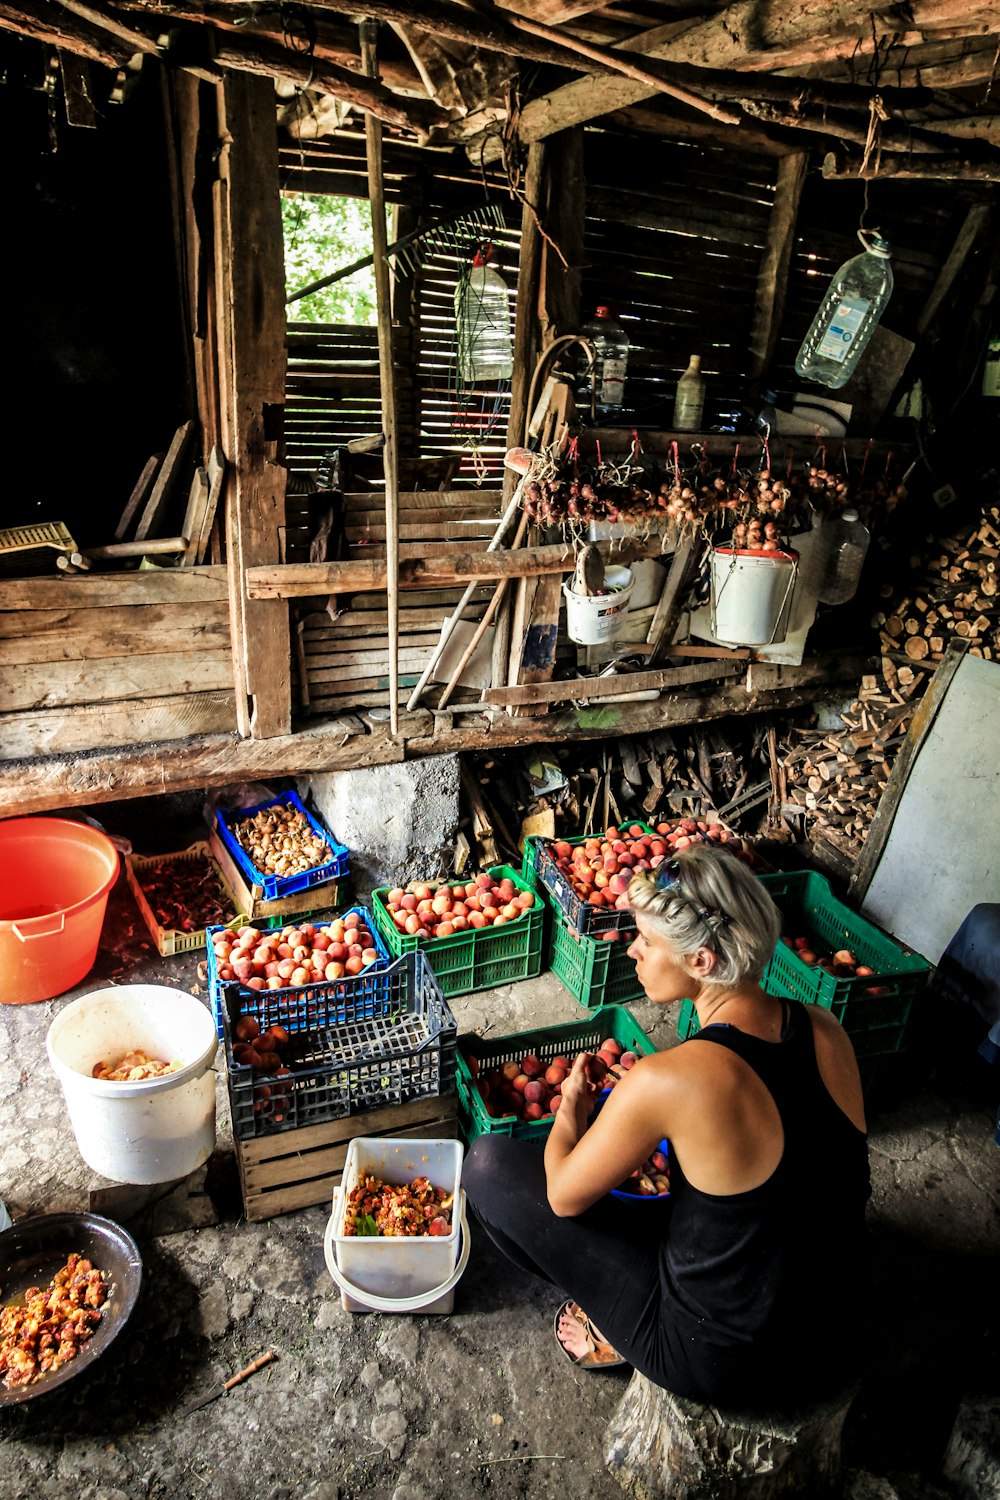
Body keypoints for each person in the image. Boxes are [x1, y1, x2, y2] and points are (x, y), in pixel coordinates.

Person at [463, 845, 871, 1407]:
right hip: (831, 1327)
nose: (631, 950)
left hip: (724, 1358)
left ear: (700, 961)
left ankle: (616, 1325)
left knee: (487, 1167)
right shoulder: (826, 1028)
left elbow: (561, 1196)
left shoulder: (670, 1080)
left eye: (647, 942)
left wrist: (570, 1111)